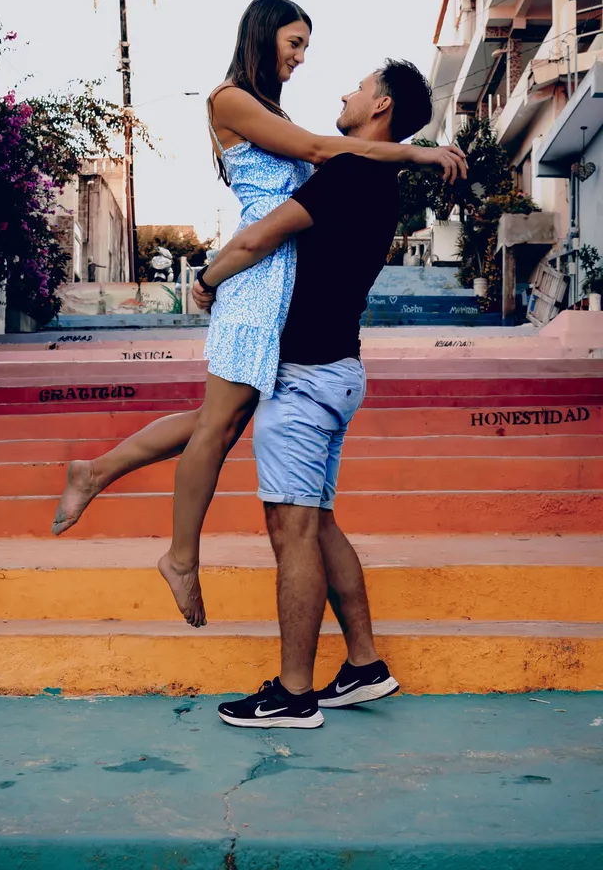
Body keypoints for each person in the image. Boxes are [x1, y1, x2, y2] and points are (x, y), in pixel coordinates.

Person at [52, 0, 466, 631]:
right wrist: (416, 152)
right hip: (256, 276)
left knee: (219, 418)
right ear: (265, 34)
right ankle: (181, 558)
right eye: (294, 43)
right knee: (218, 425)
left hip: (278, 277)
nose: (300, 59)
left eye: (305, 48)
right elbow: (321, 153)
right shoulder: (229, 98)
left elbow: (323, 155)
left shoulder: (271, 107)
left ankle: (98, 470)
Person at [192, 59, 434, 728]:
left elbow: (259, 237)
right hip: (338, 371)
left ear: (380, 105)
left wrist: (208, 280)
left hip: (304, 380)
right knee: (319, 523)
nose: (345, 93)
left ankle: (294, 693)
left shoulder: (350, 173)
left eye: (358, 87)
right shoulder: (378, 179)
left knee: (291, 529)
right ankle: (364, 666)